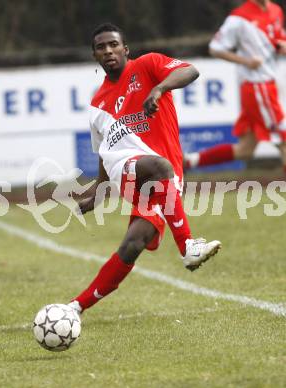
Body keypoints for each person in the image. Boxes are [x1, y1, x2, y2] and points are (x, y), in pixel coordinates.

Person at [67, 23, 221, 316]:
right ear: (94, 56)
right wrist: (100, 191)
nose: (108, 51)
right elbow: (105, 153)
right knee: (159, 165)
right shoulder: (97, 105)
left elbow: (190, 71)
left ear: (125, 49)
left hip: (163, 179)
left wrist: (160, 88)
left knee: (133, 244)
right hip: (131, 168)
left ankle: (76, 307)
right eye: (101, 47)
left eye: (113, 45)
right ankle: (188, 247)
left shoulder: (149, 65)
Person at [184, 0, 286, 173]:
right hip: (257, 86)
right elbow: (215, 48)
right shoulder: (239, 18)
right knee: (284, 140)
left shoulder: (276, 10)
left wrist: (281, 45)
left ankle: (188, 162)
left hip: (268, 85)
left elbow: (277, 39)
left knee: (245, 149)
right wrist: (246, 61)